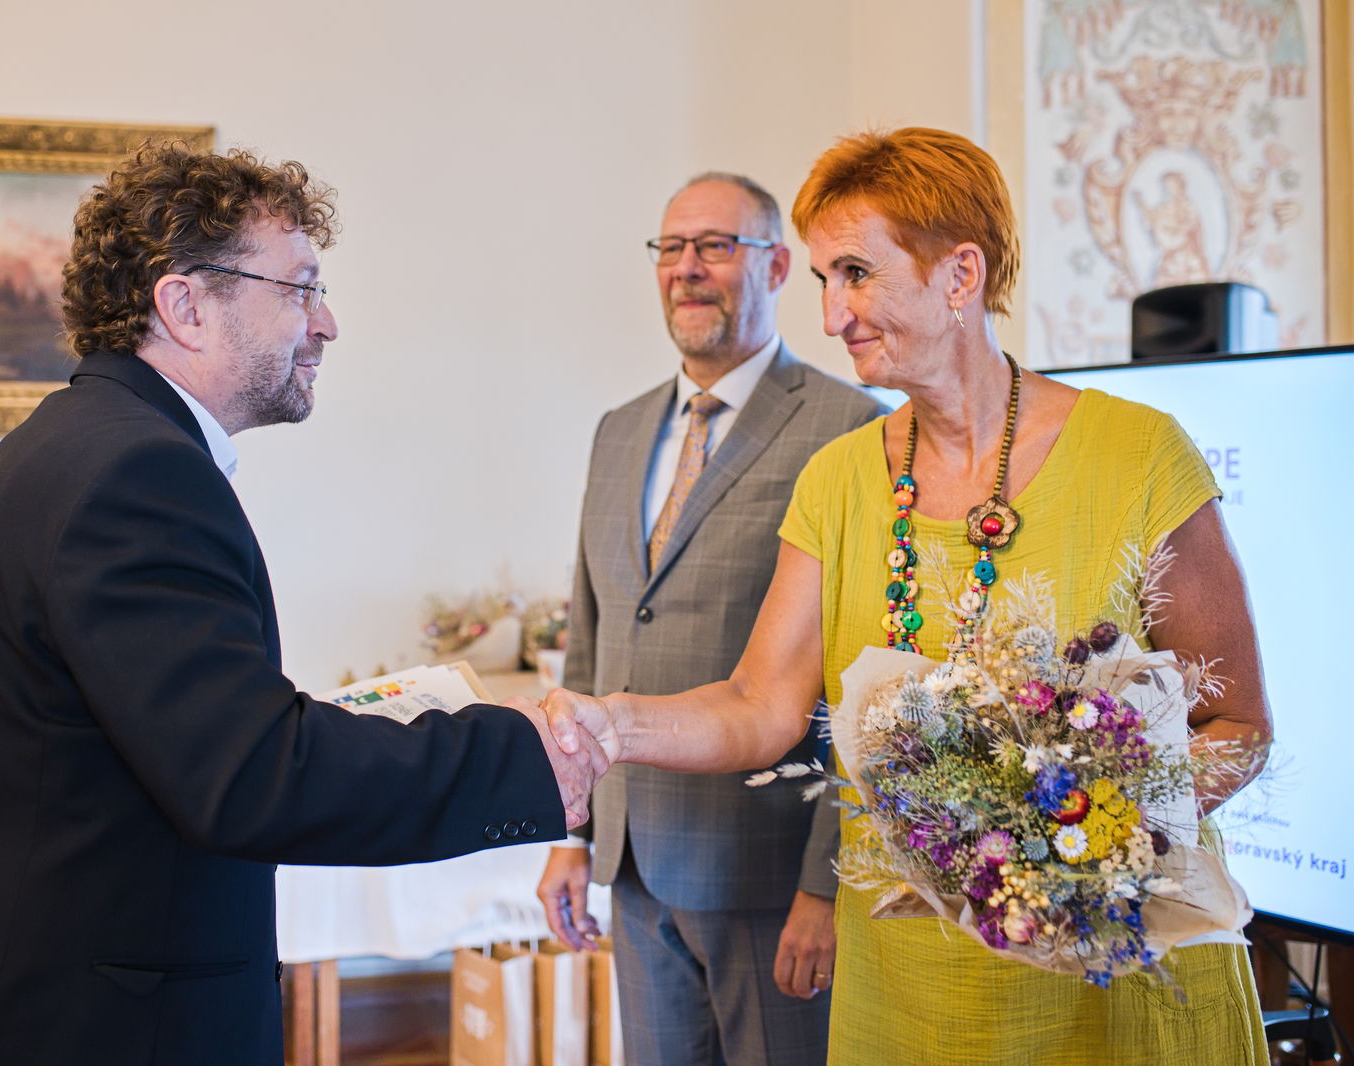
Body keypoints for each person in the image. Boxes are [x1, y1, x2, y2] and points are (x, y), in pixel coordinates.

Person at [0, 142, 607, 1066]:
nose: (327, 324)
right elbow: (252, 778)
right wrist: (518, 755)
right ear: (186, 306)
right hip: (73, 1025)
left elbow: (192, 736)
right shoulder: (137, 472)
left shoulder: (82, 442)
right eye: (300, 290)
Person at [543, 128, 1273, 1065]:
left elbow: (1237, 726)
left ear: (961, 274)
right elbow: (759, 705)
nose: (832, 314)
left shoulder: (1138, 457)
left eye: (856, 273)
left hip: (1110, 979)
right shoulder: (839, 479)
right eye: (823, 279)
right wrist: (608, 725)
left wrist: (1083, 835)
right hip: (905, 987)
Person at [535, 173, 884, 1066]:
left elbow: (871, 682)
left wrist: (827, 884)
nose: (687, 268)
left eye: (716, 247)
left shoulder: (853, 429)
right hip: (634, 866)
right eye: (672, 248)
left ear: (776, 268)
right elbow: (593, 641)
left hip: (768, 875)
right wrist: (572, 835)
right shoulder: (618, 431)